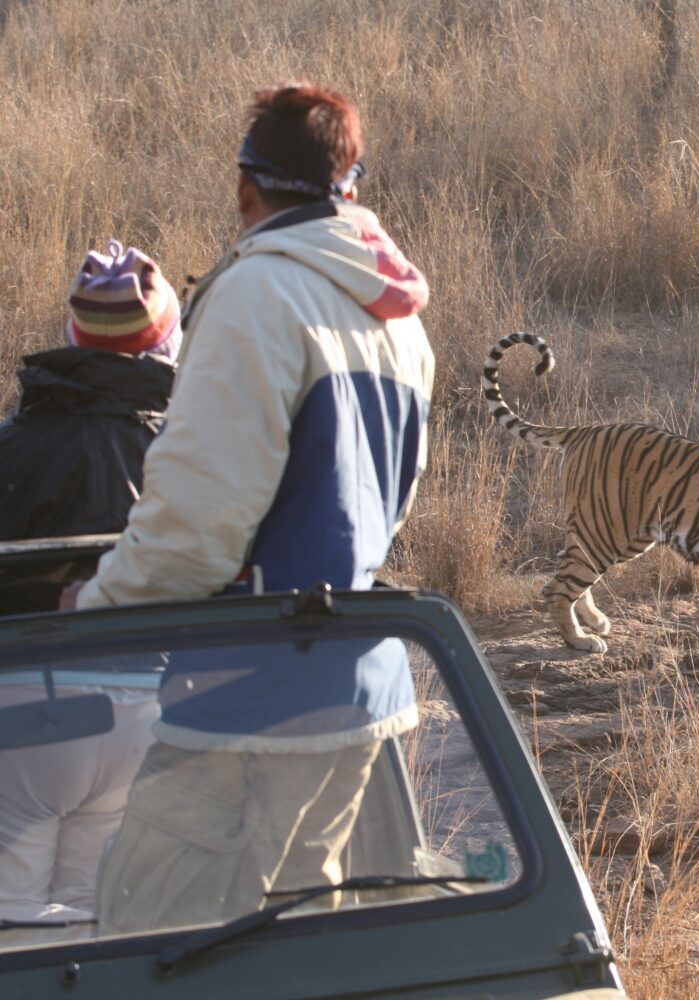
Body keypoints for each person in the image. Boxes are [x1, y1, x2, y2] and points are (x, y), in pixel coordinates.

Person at [73, 83, 434, 935]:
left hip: (246, 702)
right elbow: (392, 503)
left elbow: (197, 531)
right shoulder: (398, 320)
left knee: (138, 941)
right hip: (361, 693)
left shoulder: (254, 297)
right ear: (351, 179)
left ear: (247, 184)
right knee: (296, 955)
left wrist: (93, 610)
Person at [0, 242, 179, 937]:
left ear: (72, 337)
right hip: (146, 711)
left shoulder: (13, 443)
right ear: (165, 342)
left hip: (23, 713)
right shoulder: (182, 451)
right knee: (95, 931)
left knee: (13, 937)